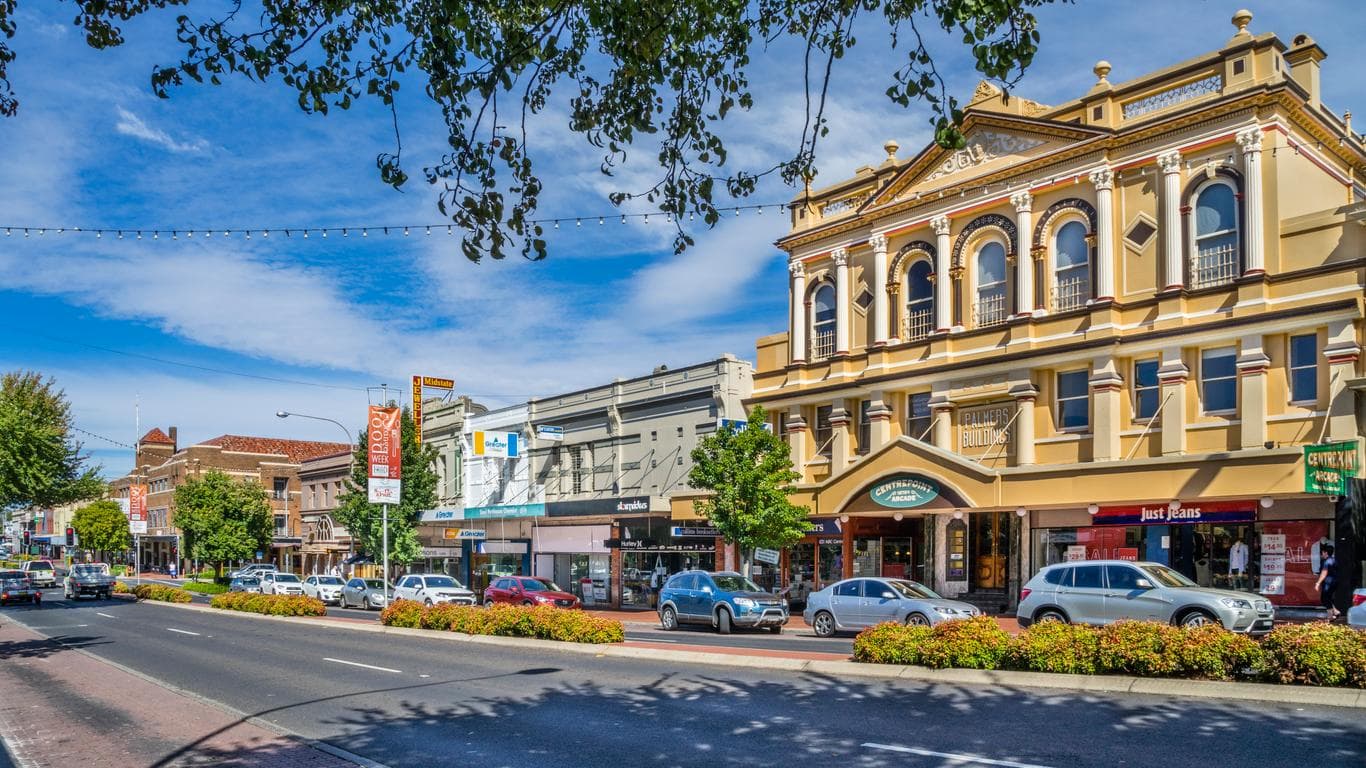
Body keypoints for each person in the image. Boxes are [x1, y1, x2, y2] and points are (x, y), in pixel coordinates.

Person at [1314, 543, 1338, 621]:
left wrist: (1318, 583)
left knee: (1324, 598)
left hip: (1328, 583)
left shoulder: (1327, 562)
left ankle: (1330, 616)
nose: (1322, 554)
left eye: (1322, 553)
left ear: (1326, 553)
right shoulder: (1334, 560)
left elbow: (1324, 573)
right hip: (1334, 582)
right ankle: (1335, 612)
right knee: (1328, 598)